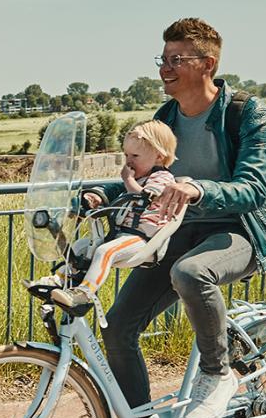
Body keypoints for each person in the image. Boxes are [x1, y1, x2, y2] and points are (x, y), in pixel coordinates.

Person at [85, 18, 266, 418]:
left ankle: (218, 372)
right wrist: (100, 196)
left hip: (241, 230)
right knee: (118, 329)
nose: (164, 69)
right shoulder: (165, 119)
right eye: (163, 59)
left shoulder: (246, 113)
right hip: (178, 231)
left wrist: (198, 190)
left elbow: (253, 188)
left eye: (177, 59)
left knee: (192, 273)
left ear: (207, 64)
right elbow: (151, 177)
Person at [51, 121, 178, 311]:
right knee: (80, 246)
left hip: (144, 240)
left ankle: (84, 294)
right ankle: (56, 280)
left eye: (135, 156)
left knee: (105, 251)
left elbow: (145, 198)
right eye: (126, 155)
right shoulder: (140, 177)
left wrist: (128, 179)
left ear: (159, 156)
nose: (129, 161)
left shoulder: (163, 178)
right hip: (123, 235)